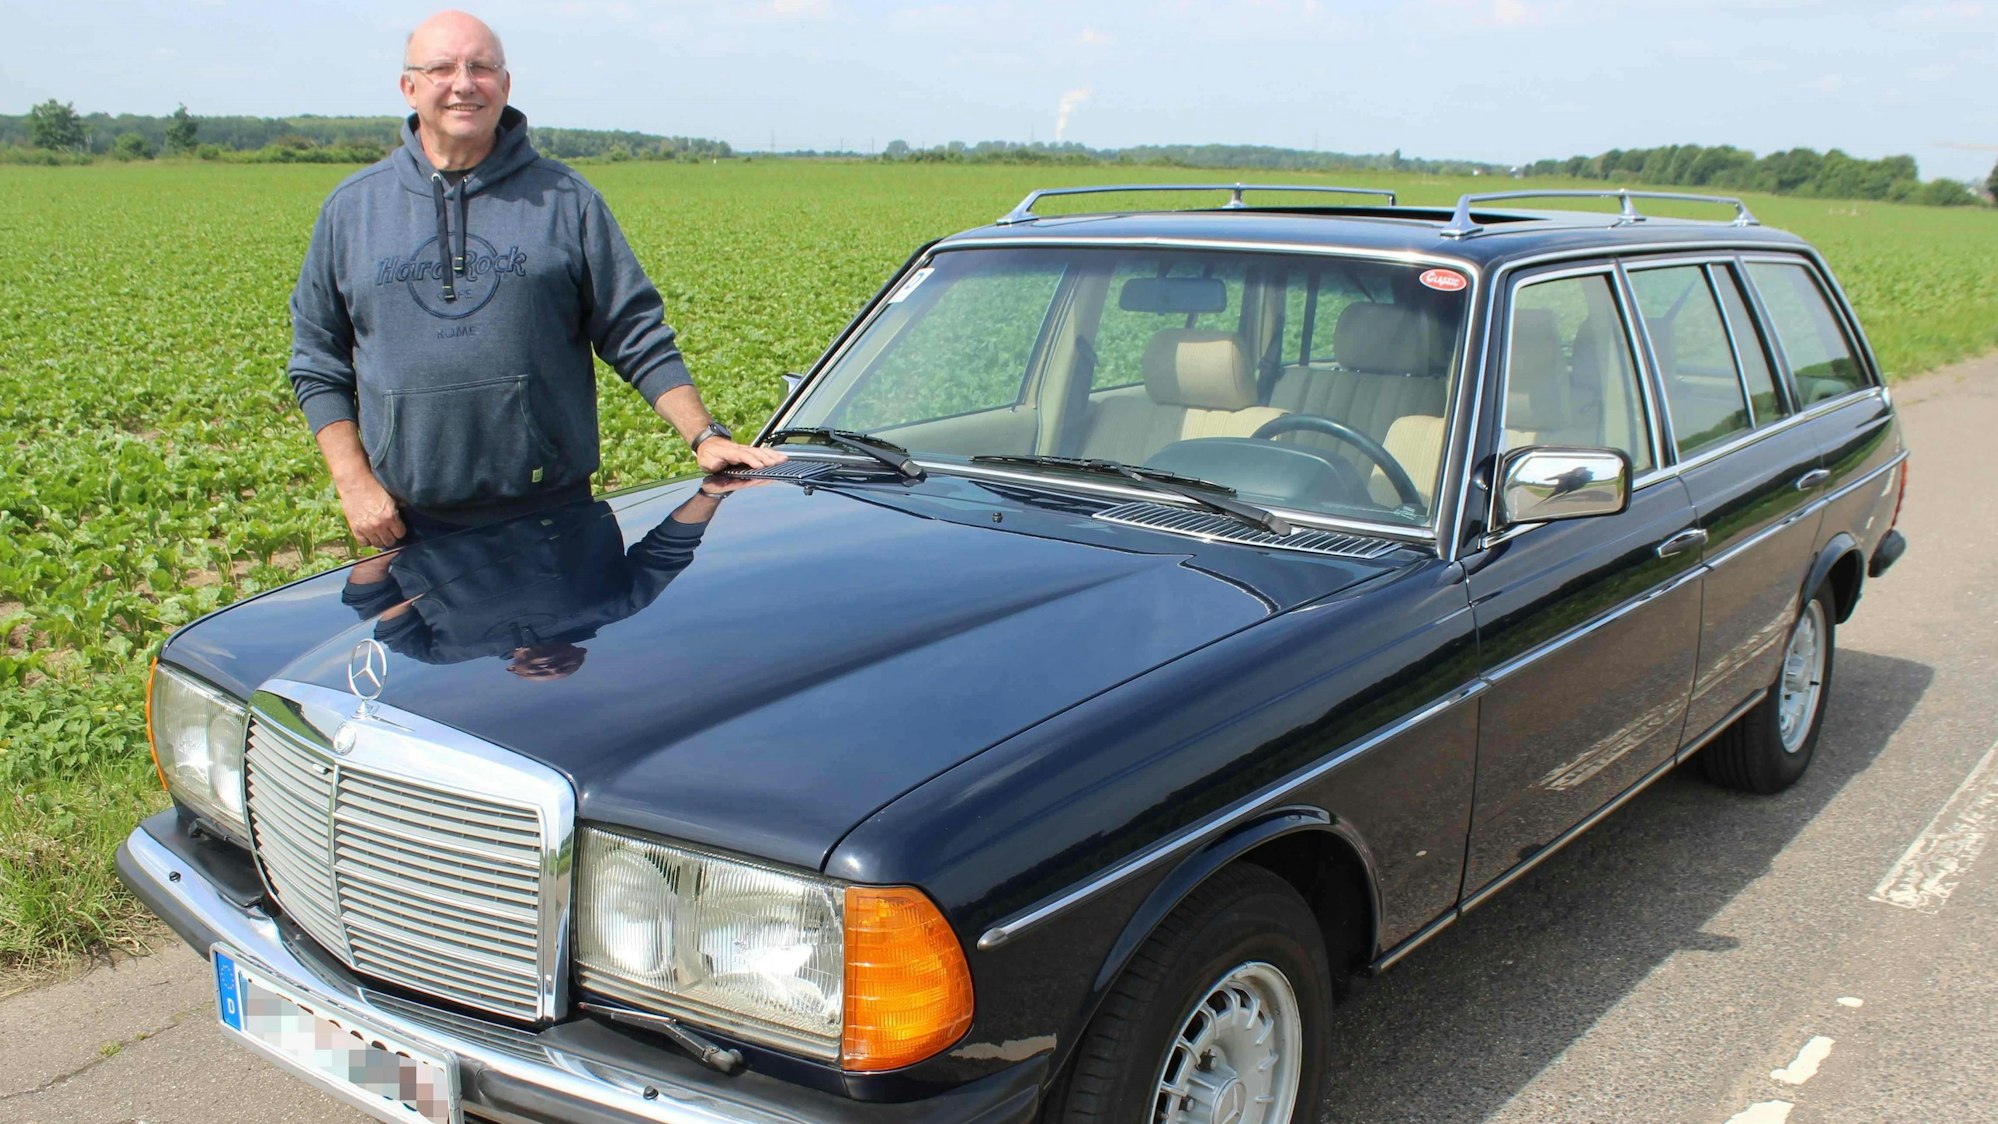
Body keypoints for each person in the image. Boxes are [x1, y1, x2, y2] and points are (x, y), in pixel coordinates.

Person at [287, 9, 781, 548]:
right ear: (409, 87)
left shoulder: (565, 200)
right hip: (408, 525)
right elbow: (318, 359)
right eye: (441, 69)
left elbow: (633, 330)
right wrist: (353, 483)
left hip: (555, 522)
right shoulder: (352, 210)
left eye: (481, 67)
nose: (463, 83)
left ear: (504, 84)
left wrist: (703, 434)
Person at [341, 479, 761, 677]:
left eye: (538, 674)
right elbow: (666, 552)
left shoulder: (443, 654)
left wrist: (390, 546)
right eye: (561, 670)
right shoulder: (616, 606)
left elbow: (373, 606)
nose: (550, 673)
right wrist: (710, 494)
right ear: (580, 656)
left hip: (428, 498)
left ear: (512, 672)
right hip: (542, 481)